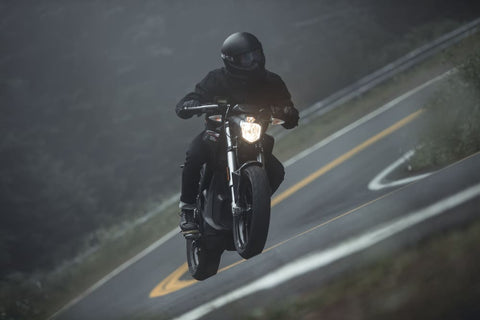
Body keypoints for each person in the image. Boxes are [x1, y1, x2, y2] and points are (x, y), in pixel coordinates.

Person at [176, 32, 299, 236]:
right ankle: (187, 210)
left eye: (256, 55)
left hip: (253, 136)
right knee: (194, 154)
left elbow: (289, 111)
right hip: (217, 136)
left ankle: (252, 204)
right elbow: (194, 97)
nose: (254, 61)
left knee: (276, 172)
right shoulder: (216, 79)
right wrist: (190, 104)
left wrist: (287, 113)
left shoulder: (272, 81)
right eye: (246, 57)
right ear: (232, 61)